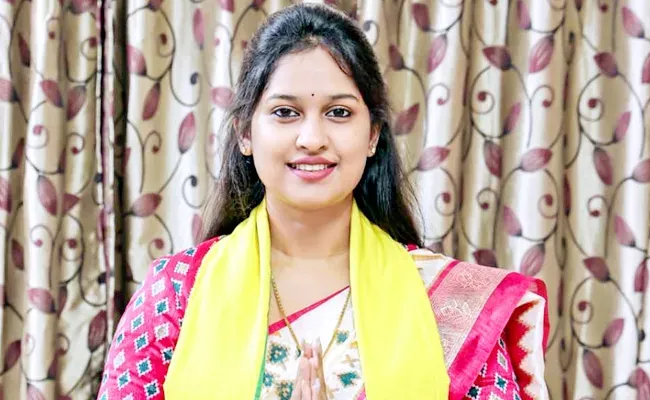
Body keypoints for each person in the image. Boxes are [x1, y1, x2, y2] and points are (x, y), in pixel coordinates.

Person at [97, 3, 549, 399]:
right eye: (285, 112)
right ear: (245, 133)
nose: (312, 138)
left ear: (372, 135)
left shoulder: (447, 306)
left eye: (338, 112)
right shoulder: (174, 296)